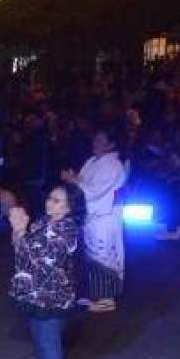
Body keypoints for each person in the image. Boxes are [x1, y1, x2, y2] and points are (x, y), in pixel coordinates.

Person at [7, 183, 83, 359]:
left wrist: (20, 230)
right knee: (38, 336)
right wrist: (18, 230)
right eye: (50, 197)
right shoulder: (43, 221)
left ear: (69, 207)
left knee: (49, 338)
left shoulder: (67, 229)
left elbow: (42, 258)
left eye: (57, 200)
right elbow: (20, 250)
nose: (50, 202)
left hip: (52, 294)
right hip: (33, 290)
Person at [63, 127, 128, 312]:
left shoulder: (112, 165)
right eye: (95, 139)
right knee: (92, 255)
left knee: (104, 256)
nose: (95, 143)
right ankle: (98, 295)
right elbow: (83, 183)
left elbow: (94, 191)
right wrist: (73, 179)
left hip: (105, 218)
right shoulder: (92, 161)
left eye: (100, 140)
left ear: (111, 144)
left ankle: (108, 298)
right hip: (91, 216)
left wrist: (74, 181)